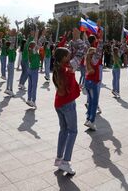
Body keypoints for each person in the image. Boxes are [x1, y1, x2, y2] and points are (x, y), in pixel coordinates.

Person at [53, 47, 80, 175]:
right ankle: (66, 161)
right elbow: (70, 87)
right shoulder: (66, 69)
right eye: (68, 55)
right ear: (63, 57)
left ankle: (59, 159)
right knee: (73, 131)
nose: (70, 57)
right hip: (67, 103)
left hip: (59, 102)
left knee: (63, 130)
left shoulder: (59, 68)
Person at [83, 30, 104, 130]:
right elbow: (99, 49)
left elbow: (88, 43)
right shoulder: (94, 60)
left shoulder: (86, 59)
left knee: (90, 102)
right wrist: (100, 38)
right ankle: (91, 121)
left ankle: (88, 119)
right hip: (93, 82)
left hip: (87, 82)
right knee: (94, 102)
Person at [26, 28, 46, 109]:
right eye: (35, 44)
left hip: (30, 69)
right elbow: (37, 40)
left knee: (30, 85)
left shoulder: (30, 50)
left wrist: (38, 33)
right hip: (34, 70)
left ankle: (28, 99)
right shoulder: (33, 51)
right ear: (33, 46)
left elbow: (36, 41)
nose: (37, 45)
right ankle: (33, 101)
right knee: (34, 86)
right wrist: (39, 33)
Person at [5, 29, 18, 97]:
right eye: (14, 32)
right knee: (11, 76)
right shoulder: (11, 47)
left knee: (9, 76)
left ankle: (7, 88)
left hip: (10, 62)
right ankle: (10, 90)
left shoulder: (10, 45)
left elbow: (14, 41)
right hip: (11, 62)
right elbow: (14, 41)